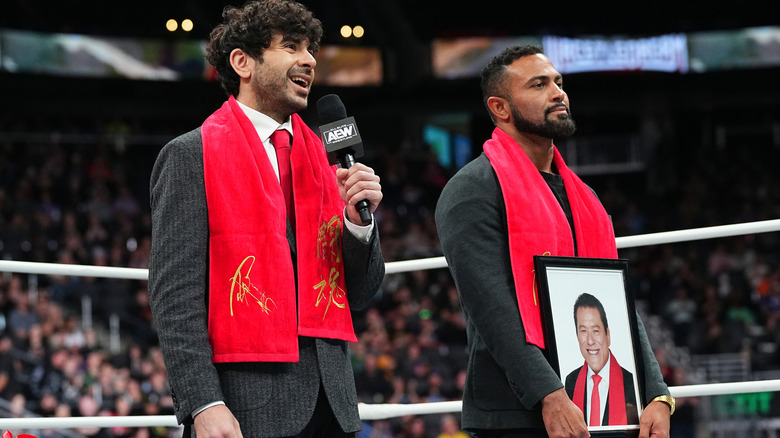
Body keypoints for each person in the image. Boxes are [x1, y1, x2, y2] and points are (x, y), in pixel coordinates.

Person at [148, 1, 385, 437]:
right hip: (242, 410)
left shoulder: (329, 162)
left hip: (334, 407)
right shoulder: (189, 155)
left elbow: (363, 292)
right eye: (291, 46)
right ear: (243, 62)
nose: (310, 60)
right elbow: (175, 296)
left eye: (311, 48)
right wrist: (203, 403)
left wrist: (358, 225)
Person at [434, 45, 674, 438]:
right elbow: (492, 310)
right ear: (501, 108)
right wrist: (548, 393)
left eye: (559, 82)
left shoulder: (587, 199)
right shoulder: (470, 191)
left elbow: (615, 302)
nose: (558, 92)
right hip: (517, 412)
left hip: (600, 408)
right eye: (539, 84)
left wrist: (657, 393)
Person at [564, 293, 638, 426]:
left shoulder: (631, 382)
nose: (590, 340)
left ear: (607, 335)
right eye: (583, 331)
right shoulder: (571, 381)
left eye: (596, 331)